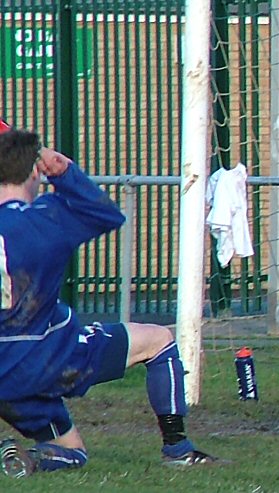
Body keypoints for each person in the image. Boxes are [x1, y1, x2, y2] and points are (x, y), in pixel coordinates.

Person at [0, 127, 216, 478]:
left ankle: (25, 461)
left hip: (6, 374)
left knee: (73, 452)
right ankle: (178, 449)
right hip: (48, 360)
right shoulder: (46, 216)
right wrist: (67, 172)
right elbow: (108, 216)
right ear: (36, 171)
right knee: (159, 341)